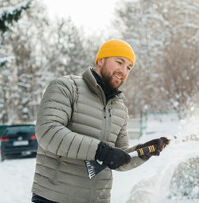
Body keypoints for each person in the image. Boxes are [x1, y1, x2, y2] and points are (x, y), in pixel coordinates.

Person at [31, 39, 169, 203]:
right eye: (119, 62)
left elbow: (118, 159)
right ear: (100, 60)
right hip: (54, 197)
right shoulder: (66, 87)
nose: (123, 71)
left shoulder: (120, 110)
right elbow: (48, 132)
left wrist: (143, 151)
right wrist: (101, 151)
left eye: (129, 67)